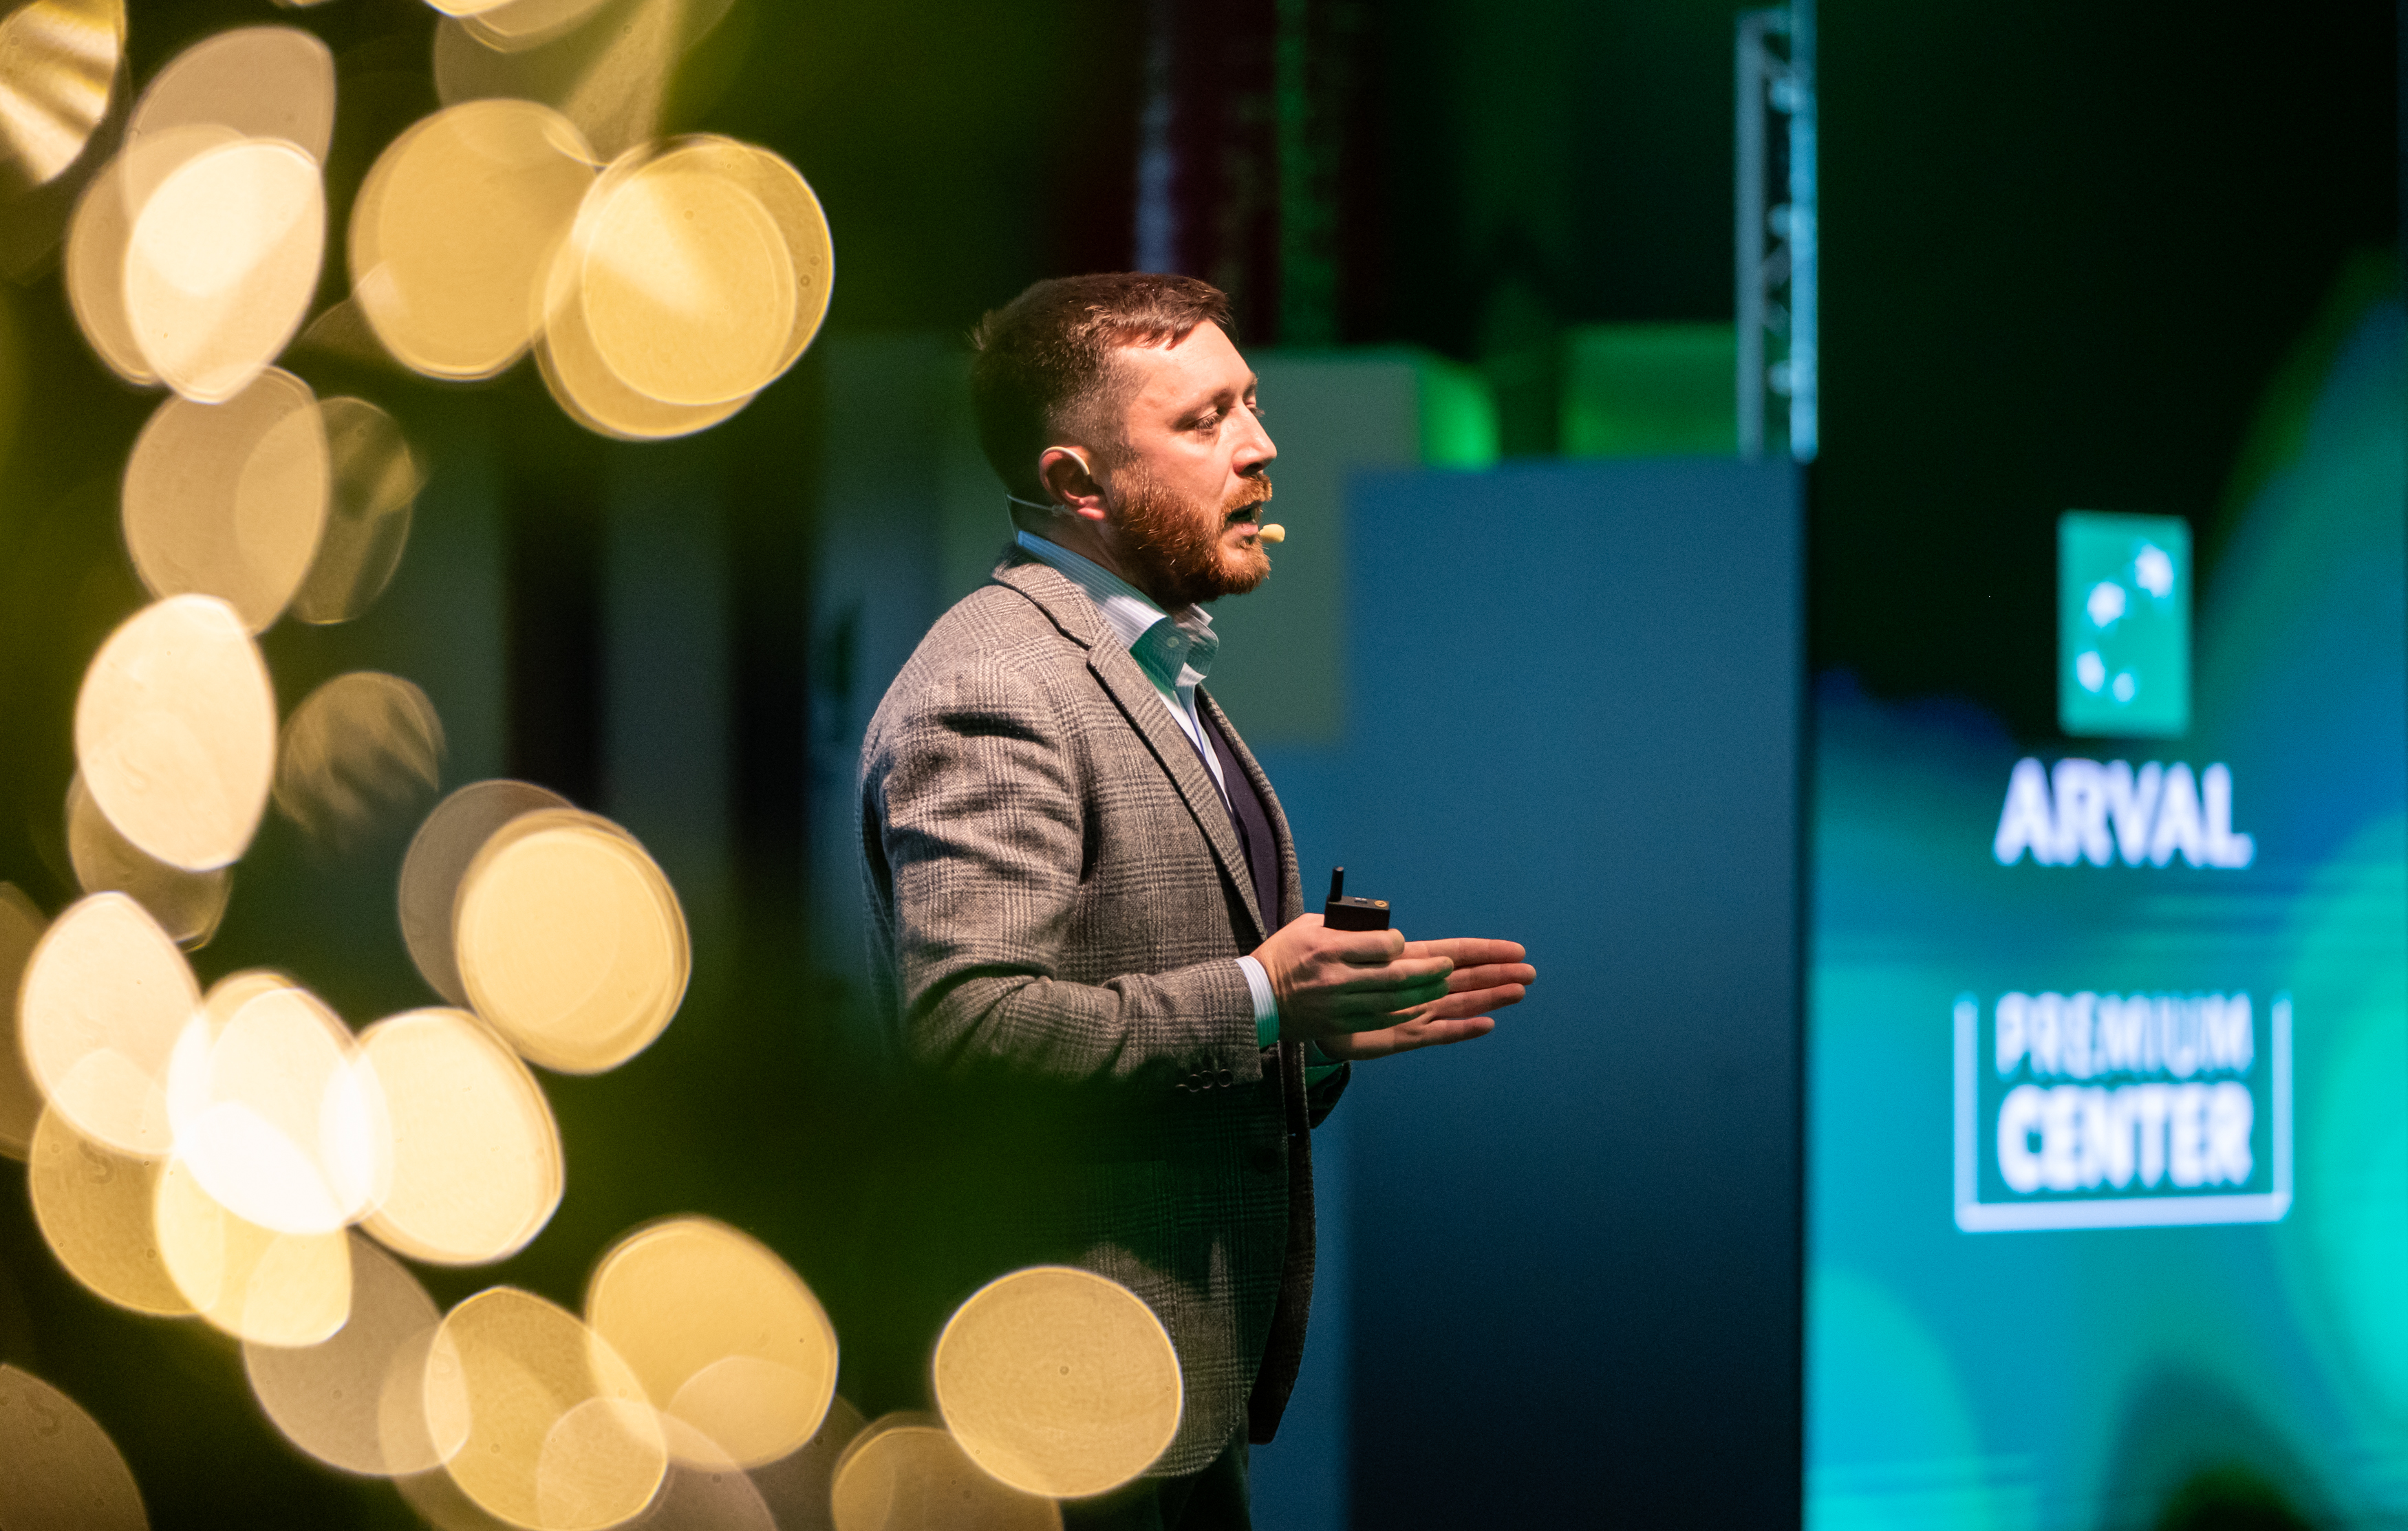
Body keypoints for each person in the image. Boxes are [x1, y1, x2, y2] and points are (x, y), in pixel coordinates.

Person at [857, 272, 1535, 1529]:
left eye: (1250, 401)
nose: (1261, 445)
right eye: (1204, 419)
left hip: (1164, 1392)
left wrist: (1308, 1032)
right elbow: (973, 1030)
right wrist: (1262, 993)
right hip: (1057, 1406)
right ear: (1077, 481)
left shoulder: (1148, 669)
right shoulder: (995, 687)